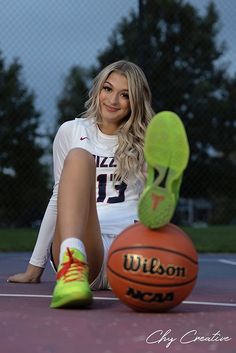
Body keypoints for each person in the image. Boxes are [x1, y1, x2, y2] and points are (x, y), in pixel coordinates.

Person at [7, 60, 189, 308]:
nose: (113, 100)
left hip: (130, 249)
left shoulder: (150, 140)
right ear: (97, 90)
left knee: (149, 201)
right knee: (79, 156)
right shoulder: (71, 130)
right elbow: (57, 199)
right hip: (85, 244)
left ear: (136, 101)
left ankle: (159, 207)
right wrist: (34, 267)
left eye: (125, 95)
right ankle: (72, 269)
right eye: (108, 89)